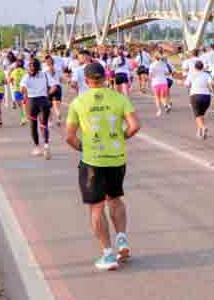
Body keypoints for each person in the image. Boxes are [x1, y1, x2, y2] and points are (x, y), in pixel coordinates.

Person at [65, 62, 140, 271]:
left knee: (96, 208)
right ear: (106, 77)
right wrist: (121, 138)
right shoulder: (119, 98)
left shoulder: (78, 102)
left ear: (86, 80)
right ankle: (122, 239)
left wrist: (84, 148)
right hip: (116, 158)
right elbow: (135, 126)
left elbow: (69, 137)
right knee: (115, 199)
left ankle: (107, 255)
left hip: (92, 161)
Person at [21, 58, 59, 159]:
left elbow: (22, 89)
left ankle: (37, 148)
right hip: (43, 101)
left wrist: (25, 94)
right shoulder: (45, 74)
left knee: (33, 125)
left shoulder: (26, 76)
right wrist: (48, 93)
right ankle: (46, 145)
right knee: (44, 124)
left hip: (31, 102)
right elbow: (55, 86)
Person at [185, 60, 213, 139]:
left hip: (195, 96)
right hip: (206, 96)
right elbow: (211, 84)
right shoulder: (206, 75)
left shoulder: (191, 74)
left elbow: (187, 85)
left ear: (195, 67)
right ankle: (199, 131)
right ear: (202, 67)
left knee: (197, 115)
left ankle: (203, 127)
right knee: (201, 115)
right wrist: (213, 93)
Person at [149, 52, 172, 116]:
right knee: (163, 97)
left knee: (157, 98)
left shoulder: (152, 65)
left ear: (154, 57)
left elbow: (151, 75)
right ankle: (166, 105)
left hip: (156, 83)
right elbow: (167, 73)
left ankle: (159, 111)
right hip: (164, 82)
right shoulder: (163, 64)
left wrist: (153, 76)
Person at [44, 55, 64, 127]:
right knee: (56, 106)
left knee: (48, 106)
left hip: (49, 88)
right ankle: (58, 117)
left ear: (46, 62)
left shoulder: (44, 70)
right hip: (58, 87)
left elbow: (44, 80)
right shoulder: (58, 69)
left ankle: (50, 122)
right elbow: (61, 79)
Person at [9, 59, 28, 126]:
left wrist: (13, 84)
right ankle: (24, 117)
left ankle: (24, 118)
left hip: (19, 89)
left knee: (21, 105)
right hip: (21, 89)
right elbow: (10, 80)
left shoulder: (16, 71)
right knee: (23, 104)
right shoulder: (23, 71)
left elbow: (10, 80)